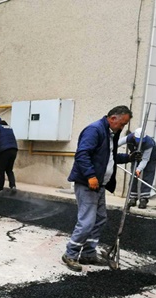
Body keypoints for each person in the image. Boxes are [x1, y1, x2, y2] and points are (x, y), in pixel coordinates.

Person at [62, 105, 142, 272]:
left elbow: (109, 157)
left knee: (100, 219)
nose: (123, 127)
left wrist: (128, 157)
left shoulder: (110, 133)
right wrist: (91, 176)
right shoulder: (94, 130)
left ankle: (88, 254)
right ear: (113, 118)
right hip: (88, 184)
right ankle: (70, 254)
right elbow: (82, 154)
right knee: (87, 221)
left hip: (100, 184)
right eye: (122, 123)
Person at [118, 128, 156, 209]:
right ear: (134, 137)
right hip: (135, 156)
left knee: (148, 176)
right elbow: (117, 143)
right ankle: (133, 198)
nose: (139, 142)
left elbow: (145, 159)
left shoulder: (149, 143)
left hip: (150, 159)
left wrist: (138, 169)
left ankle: (144, 199)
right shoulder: (129, 137)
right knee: (133, 176)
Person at [0, 116, 18, 192]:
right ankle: (13, 186)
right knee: (9, 170)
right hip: (14, 150)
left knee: (1, 170)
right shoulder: (9, 127)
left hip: (4, 151)